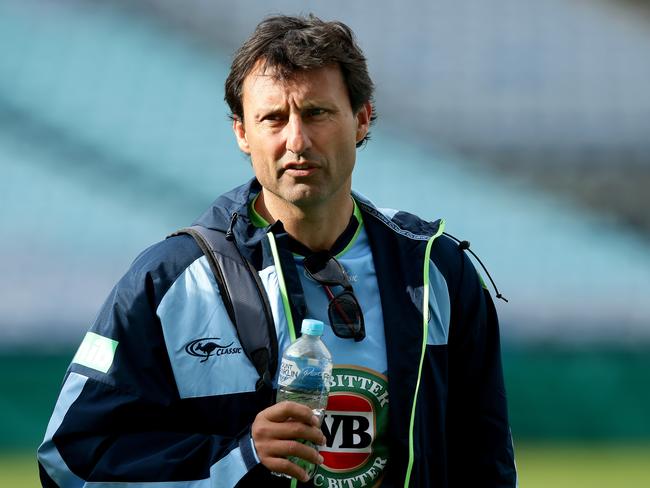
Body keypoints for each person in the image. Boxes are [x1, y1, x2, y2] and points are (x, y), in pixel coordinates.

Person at [38, 14, 517, 488]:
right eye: (273, 118)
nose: (297, 141)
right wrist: (239, 458)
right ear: (242, 133)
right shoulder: (170, 280)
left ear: (362, 119)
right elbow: (69, 461)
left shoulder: (436, 271)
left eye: (317, 113)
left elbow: (486, 463)